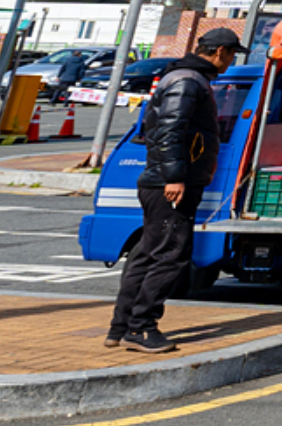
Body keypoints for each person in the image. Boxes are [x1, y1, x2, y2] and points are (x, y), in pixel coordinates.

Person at [107, 27, 244, 353]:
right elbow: (170, 130)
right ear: (220, 51)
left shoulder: (183, 77)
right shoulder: (188, 81)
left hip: (162, 180)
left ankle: (121, 326)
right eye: (231, 54)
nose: (230, 60)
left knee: (147, 253)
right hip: (169, 184)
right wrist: (175, 177)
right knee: (171, 255)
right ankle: (142, 328)